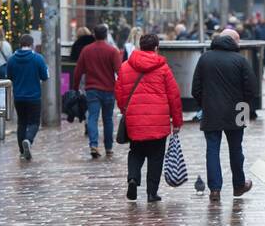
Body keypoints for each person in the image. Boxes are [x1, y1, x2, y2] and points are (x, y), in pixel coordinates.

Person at [114, 32, 183, 203]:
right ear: (156, 47)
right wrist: (177, 120)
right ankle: (152, 193)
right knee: (156, 156)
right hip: (158, 122)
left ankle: (133, 178)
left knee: (135, 152)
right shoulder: (163, 68)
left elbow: (120, 93)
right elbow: (173, 95)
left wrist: (125, 110)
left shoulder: (125, 66)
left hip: (135, 120)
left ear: (139, 46)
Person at [191, 27, 256, 202]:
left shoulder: (205, 59)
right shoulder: (240, 60)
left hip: (211, 110)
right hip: (238, 111)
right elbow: (251, 89)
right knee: (236, 149)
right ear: (233, 41)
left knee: (212, 149)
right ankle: (239, 185)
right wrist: (244, 106)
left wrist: (204, 104)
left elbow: (195, 88)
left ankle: (215, 189)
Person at [72, 24, 123, 159]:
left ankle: (93, 144)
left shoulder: (86, 50)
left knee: (93, 117)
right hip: (108, 89)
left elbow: (78, 71)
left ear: (94, 35)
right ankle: (109, 147)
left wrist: (75, 87)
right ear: (106, 35)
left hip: (92, 89)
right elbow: (120, 72)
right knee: (107, 119)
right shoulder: (112, 51)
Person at [5, 34, 49, 161]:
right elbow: (45, 76)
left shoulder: (12, 59)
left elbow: (9, 76)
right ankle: (28, 140)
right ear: (31, 44)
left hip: (19, 96)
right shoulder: (38, 58)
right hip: (34, 96)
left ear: (20, 44)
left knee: (22, 123)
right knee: (34, 122)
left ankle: (22, 151)